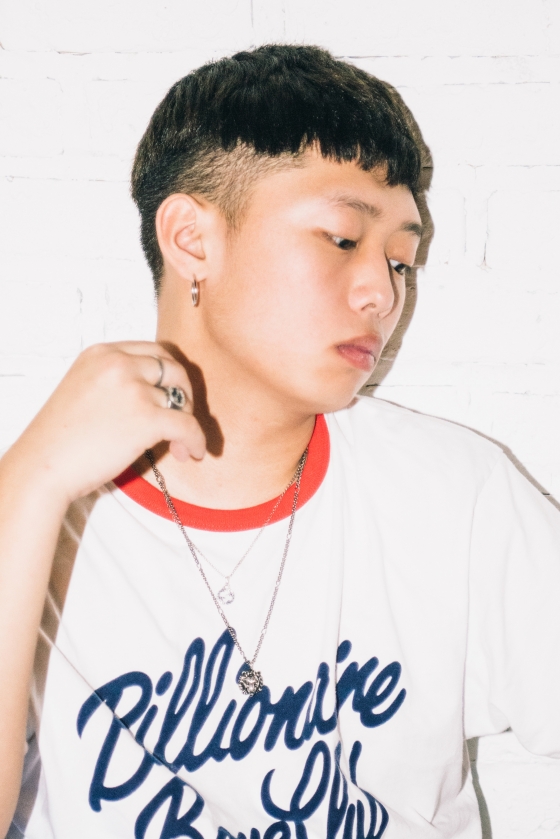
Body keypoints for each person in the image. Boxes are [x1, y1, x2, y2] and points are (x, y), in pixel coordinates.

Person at [1, 43, 559, 839]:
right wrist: (29, 484)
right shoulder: (35, 512)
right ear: (191, 239)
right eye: (342, 238)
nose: (382, 291)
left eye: (403, 260)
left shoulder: (454, 495)